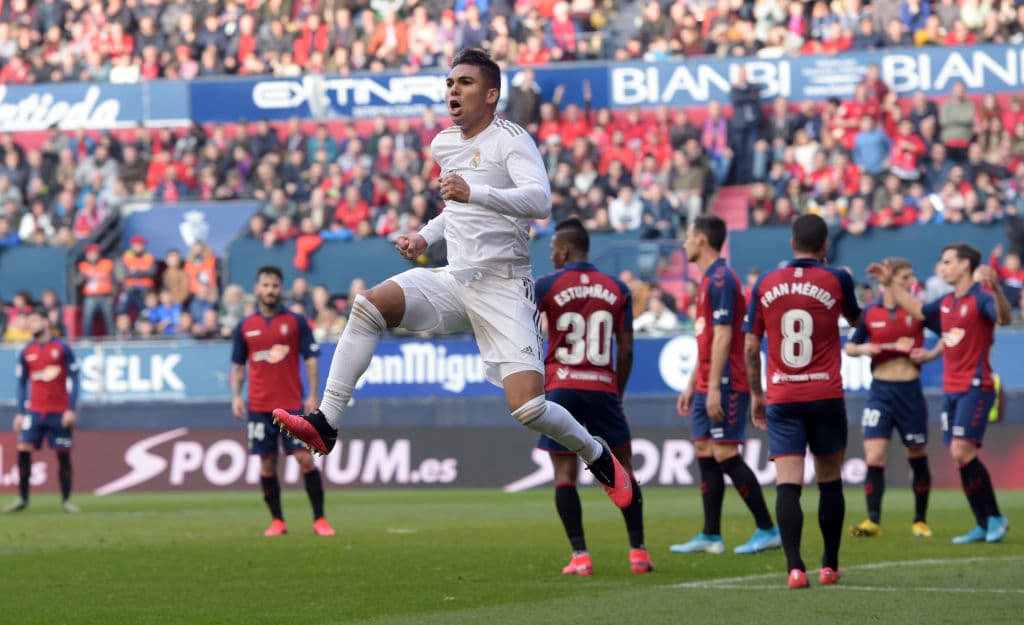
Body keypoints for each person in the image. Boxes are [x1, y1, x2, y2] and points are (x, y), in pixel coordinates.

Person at [272, 48, 633, 512]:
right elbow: (457, 207)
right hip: (455, 277)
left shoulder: (512, 139)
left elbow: (540, 201)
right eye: (449, 83)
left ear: (491, 94)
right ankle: (326, 422)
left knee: (527, 410)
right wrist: (424, 236)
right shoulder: (445, 144)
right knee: (368, 306)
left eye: (464, 82)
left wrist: (474, 190)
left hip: (504, 287)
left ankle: (595, 452)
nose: (453, 91)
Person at [743, 214, 862, 588]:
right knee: (830, 481)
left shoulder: (765, 282)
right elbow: (858, 321)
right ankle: (829, 565)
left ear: (791, 244)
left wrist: (756, 393)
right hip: (825, 393)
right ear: (825, 246)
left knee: (788, 484)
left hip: (783, 395)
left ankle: (795, 568)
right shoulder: (837, 278)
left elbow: (750, 347)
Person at [868, 244, 1011, 544]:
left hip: (976, 386)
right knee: (961, 457)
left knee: (962, 451)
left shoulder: (982, 298)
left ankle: (995, 516)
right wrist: (890, 282)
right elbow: (918, 310)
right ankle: (982, 523)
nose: (941, 267)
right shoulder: (945, 302)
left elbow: (1004, 319)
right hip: (951, 389)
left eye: (947, 262)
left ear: (964, 265)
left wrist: (997, 291)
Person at [534, 218, 652, 576]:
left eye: (554, 247)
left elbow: (525, 332)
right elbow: (627, 348)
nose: (551, 253)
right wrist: (617, 391)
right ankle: (638, 552)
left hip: (563, 387)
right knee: (624, 470)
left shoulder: (546, 285)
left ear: (566, 249)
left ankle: (581, 556)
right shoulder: (617, 288)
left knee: (564, 475)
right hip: (602, 386)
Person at [672, 215, 781, 555]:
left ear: (702, 239)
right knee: (705, 451)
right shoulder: (708, 280)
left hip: (726, 382)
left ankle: (767, 528)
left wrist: (716, 387)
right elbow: (706, 341)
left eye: (689, 236)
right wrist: (693, 384)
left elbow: (723, 336)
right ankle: (711, 535)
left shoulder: (722, 279)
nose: (684, 243)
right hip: (706, 380)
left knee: (725, 452)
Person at [230, 265, 334, 537]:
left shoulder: (296, 322)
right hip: (258, 406)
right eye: (265, 285)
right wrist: (236, 397)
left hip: (291, 406)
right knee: (266, 464)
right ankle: (277, 521)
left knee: (305, 460)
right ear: (257, 289)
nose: (270, 290)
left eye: (275, 286)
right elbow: (238, 365)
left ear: (281, 289)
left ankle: (319, 519)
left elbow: (310, 359)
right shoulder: (245, 326)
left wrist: (312, 394)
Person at [846, 258, 942, 539]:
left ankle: (919, 519)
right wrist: (864, 349)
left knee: (916, 454)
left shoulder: (917, 312)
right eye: (904, 278)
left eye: (911, 277)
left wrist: (930, 354)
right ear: (888, 281)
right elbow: (850, 346)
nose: (910, 282)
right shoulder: (872, 313)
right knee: (874, 455)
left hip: (909, 391)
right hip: (880, 392)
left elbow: (949, 336)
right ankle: (873, 520)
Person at [4, 308, 80, 513]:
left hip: (58, 411)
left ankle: (66, 500)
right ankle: (23, 499)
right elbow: (21, 384)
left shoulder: (62, 348)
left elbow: (75, 378)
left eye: (35, 320)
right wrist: (20, 412)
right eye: (29, 321)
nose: (31, 325)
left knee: (63, 455)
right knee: (23, 451)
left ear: (46, 322)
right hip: (34, 411)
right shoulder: (26, 351)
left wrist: (71, 409)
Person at [78, 243, 115, 337]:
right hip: (91, 296)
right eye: (90, 253)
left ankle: (112, 339)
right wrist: (83, 276)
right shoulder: (83, 265)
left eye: (95, 253)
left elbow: (115, 280)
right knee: (87, 319)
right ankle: (87, 339)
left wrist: (113, 296)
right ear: (86, 255)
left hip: (105, 295)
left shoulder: (107, 263)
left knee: (109, 319)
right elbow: (77, 282)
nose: (93, 255)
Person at [116, 235, 157, 316]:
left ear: (144, 246)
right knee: (121, 311)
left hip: (144, 290)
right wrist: (142, 272)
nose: (138, 247)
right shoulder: (126, 256)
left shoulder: (149, 257)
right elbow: (124, 273)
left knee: (144, 313)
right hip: (128, 289)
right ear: (132, 246)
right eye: (136, 245)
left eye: (140, 245)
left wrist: (135, 272)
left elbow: (152, 272)